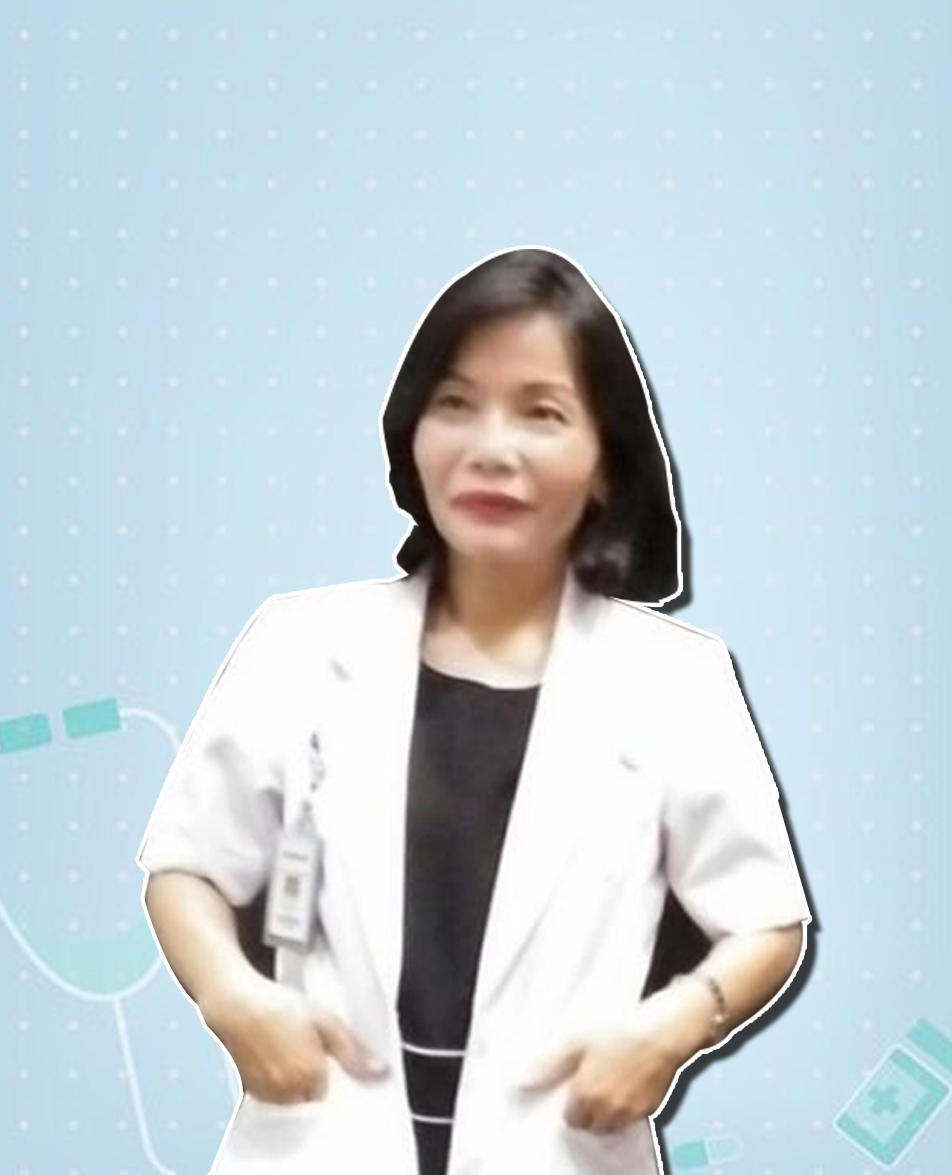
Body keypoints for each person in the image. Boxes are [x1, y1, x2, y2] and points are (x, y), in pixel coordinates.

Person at [137, 247, 812, 1175]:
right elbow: (187, 865)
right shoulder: (298, 643)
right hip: (318, 1141)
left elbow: (766, 920)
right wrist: (230, 996)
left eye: (541, 412)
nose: (491, 447)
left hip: (562, 1147)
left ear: (605, 462)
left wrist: (672, 1028)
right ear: (414, 434)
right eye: (456, 403)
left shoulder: (676, 680)